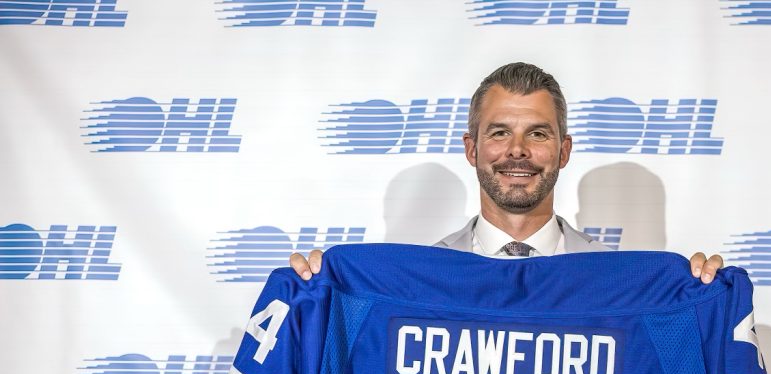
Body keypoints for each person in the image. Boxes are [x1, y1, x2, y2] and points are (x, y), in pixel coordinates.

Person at [289, 62, 724, 279]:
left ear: (564, 150)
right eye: (499, 133)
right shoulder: (425, 277)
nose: (517, 151)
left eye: (538, 134)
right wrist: (321, 292)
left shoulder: (617, 282)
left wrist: (698, 300)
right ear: (472, 149)